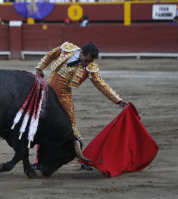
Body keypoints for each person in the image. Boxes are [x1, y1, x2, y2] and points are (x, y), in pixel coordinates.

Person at [32, 41, 128, 170]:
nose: (87, 64)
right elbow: (50, 55)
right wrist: (39, 68)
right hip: (47, 93)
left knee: (71, 127)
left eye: (89, 62)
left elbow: (101, 85)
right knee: (42, 124)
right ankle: (38, 161)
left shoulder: (90, 67)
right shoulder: (67, 49)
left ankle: (83, 159)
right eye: (86, 60)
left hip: (64, 97)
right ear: (81, 53)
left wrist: (117, 100)